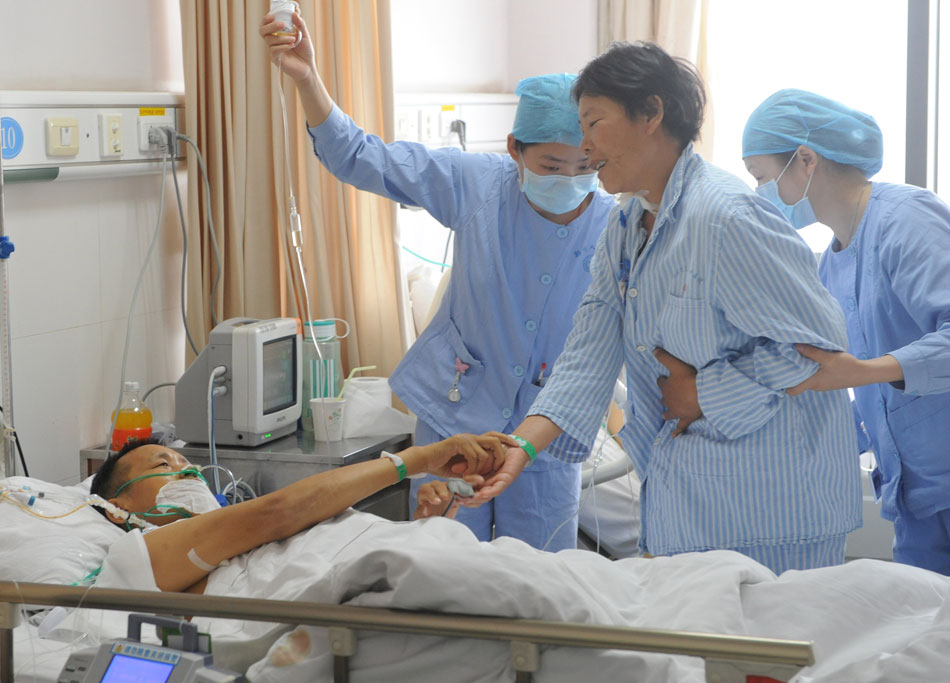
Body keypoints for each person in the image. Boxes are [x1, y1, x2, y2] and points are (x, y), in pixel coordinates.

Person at [474, 42, 862, 575]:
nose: (583, 147)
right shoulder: (627, 222)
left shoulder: (726, 219)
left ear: (652, 114)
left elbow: (821, 350)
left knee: (764, 656)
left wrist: (704, 392)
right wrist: (522, 446)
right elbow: (590, 346)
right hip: (694, 501)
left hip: (775, 507)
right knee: (689, 653)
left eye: (594, 123)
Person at [260, 12, 616, 551]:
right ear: (514, 149)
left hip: (547, 429)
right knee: (440, 565)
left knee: (542, 582)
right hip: (456, 416)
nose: (569, 181)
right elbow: (359, 156)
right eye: (551, 165)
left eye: (583, 167)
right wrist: (308, 80)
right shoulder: (477, 185)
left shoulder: (615, 221)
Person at [742, 89, 950, 575]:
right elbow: (860, 396)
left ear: (806, 160)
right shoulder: (828, 265)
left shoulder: (906, 219)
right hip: (915, 497)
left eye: (762, 178)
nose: (760, 194)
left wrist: (861, 371)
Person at [90, 433, 511, 593]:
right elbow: (280, 511)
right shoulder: (139, 555)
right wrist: (414, 460)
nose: (188, 471)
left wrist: (427, 528)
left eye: (188, 464)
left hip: (444, 567)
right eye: (164, 465)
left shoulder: (235, 538)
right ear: (117, 506)